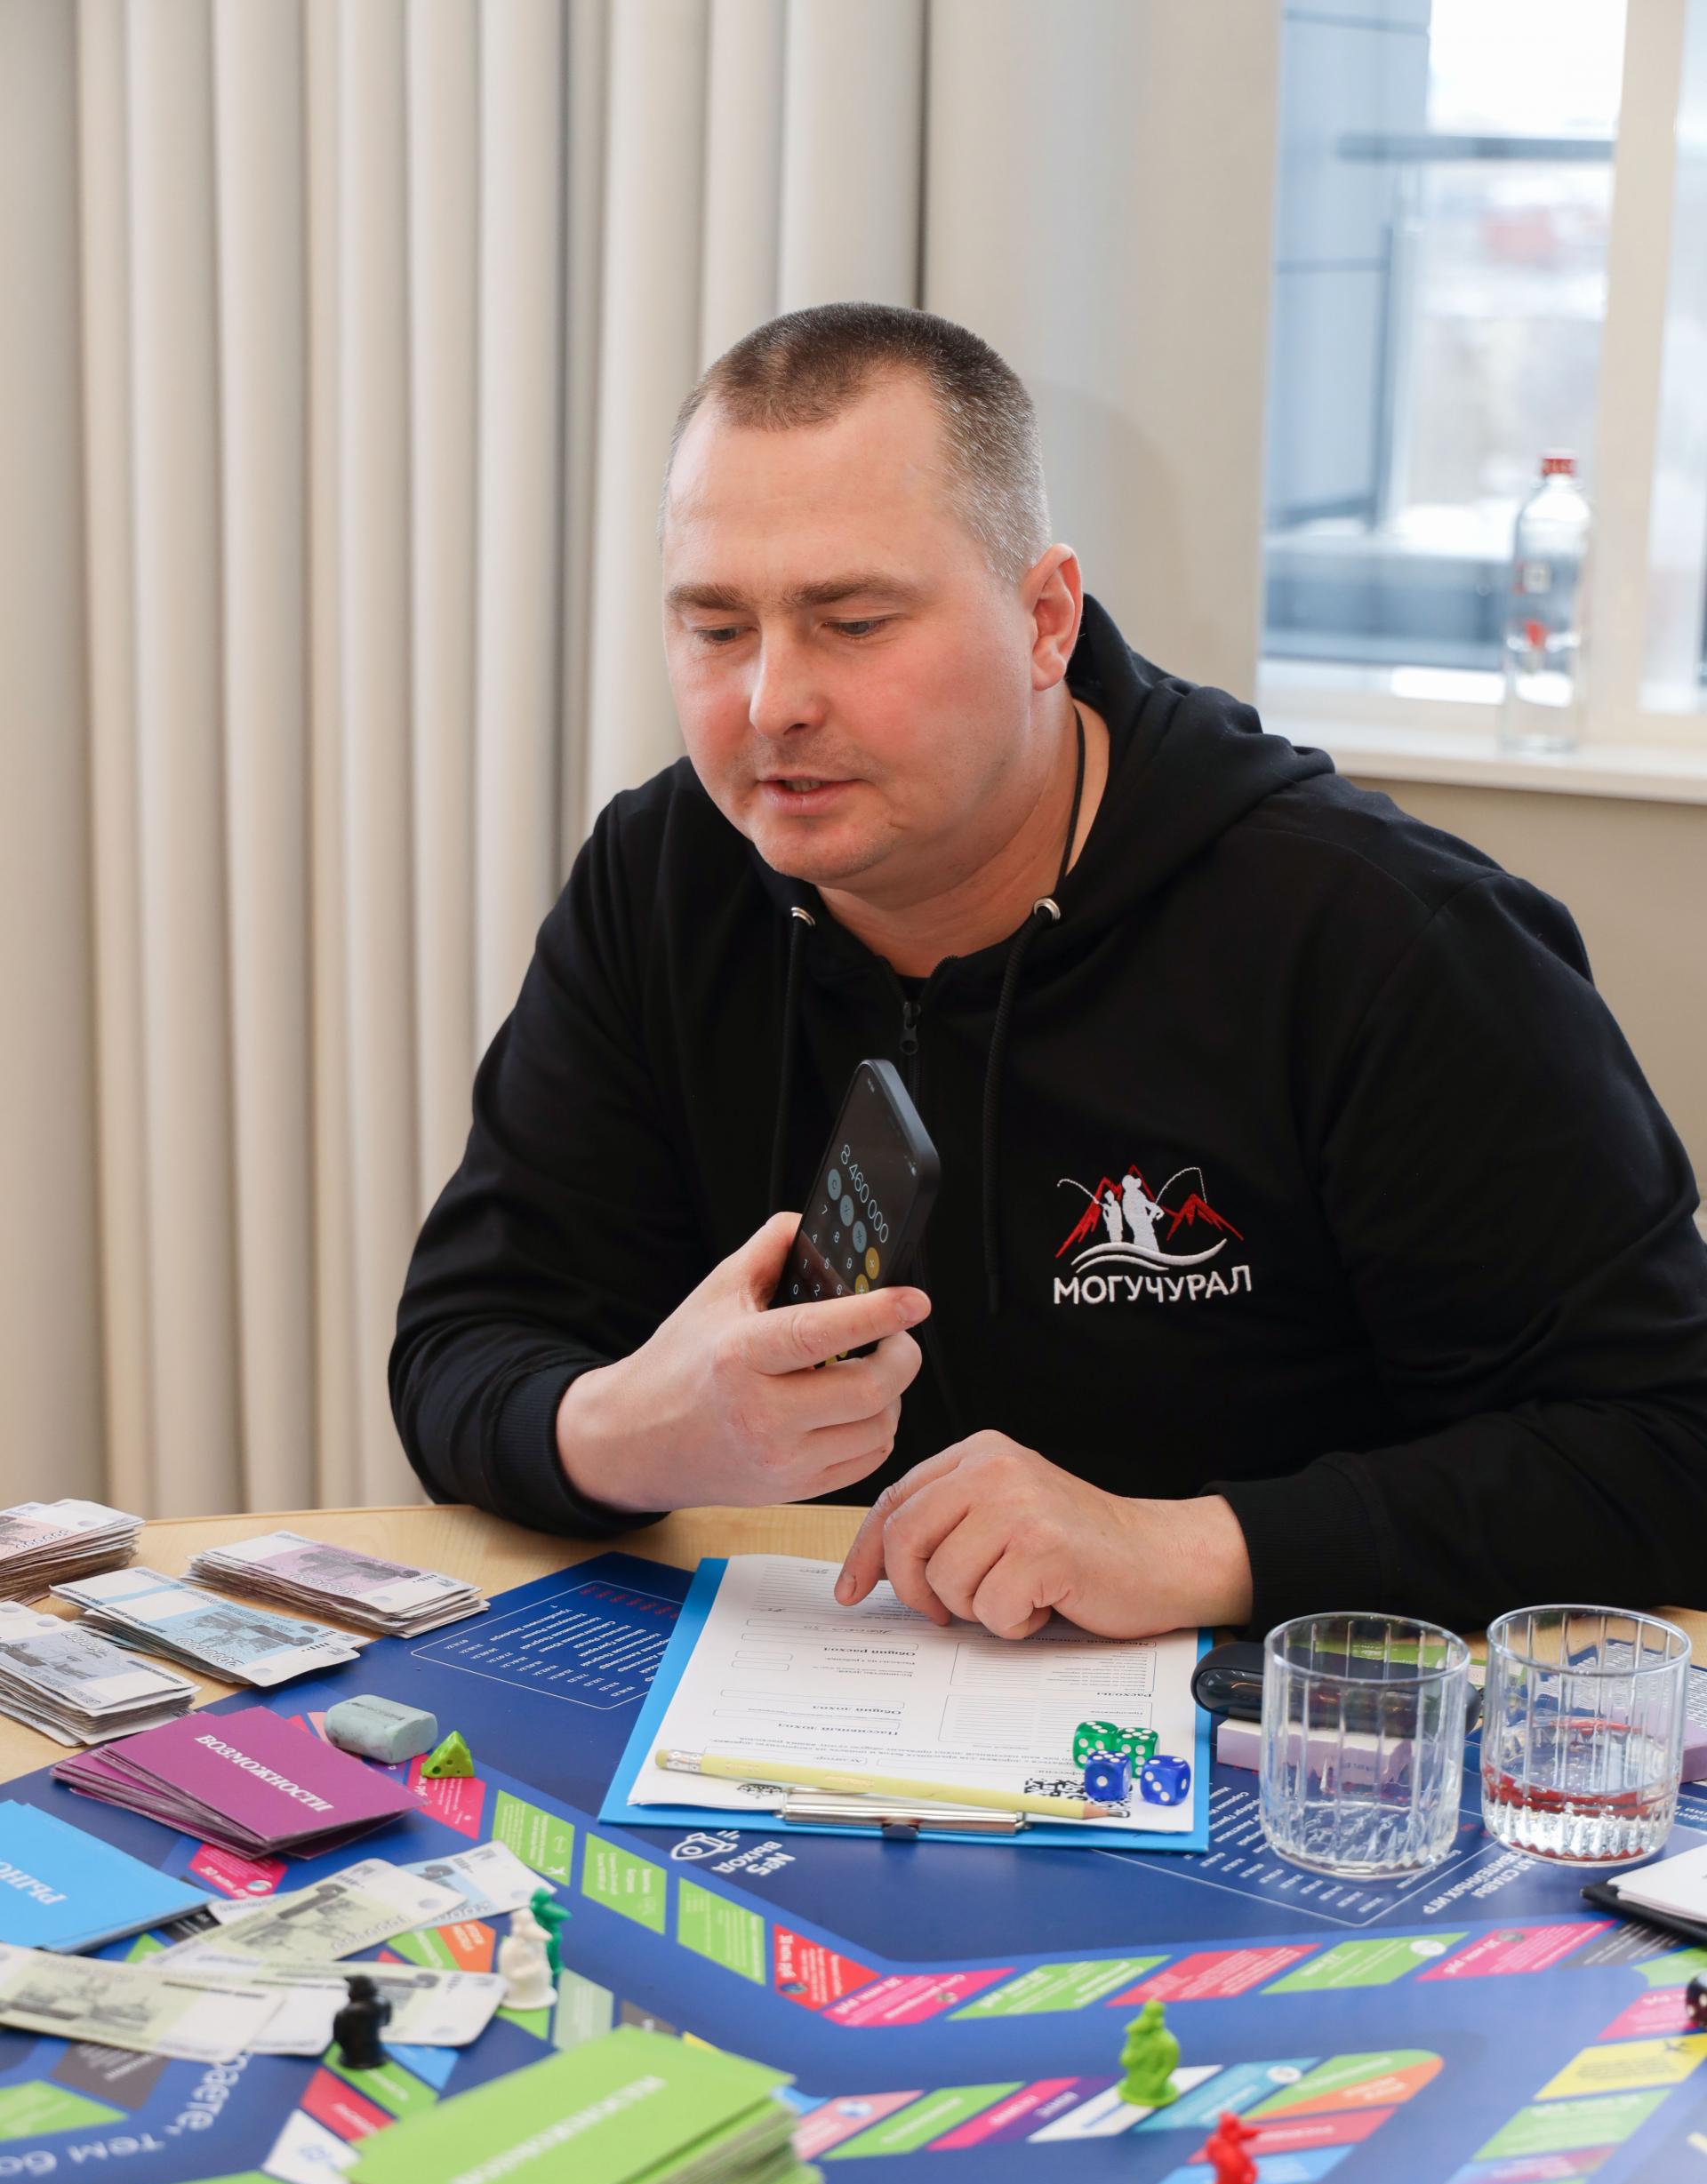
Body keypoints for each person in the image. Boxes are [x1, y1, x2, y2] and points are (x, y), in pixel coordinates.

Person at [390, 302, 1707, 1641]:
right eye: (717, 628)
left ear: (1045, 620)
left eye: (854, 622)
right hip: (786, 1703)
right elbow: (462, 1346)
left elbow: (1668, 1444)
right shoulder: (662, 877)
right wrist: (632, 1430)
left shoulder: (1382, 939)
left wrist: (1192, 1548)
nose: (772, 703)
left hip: (1265, 1723)